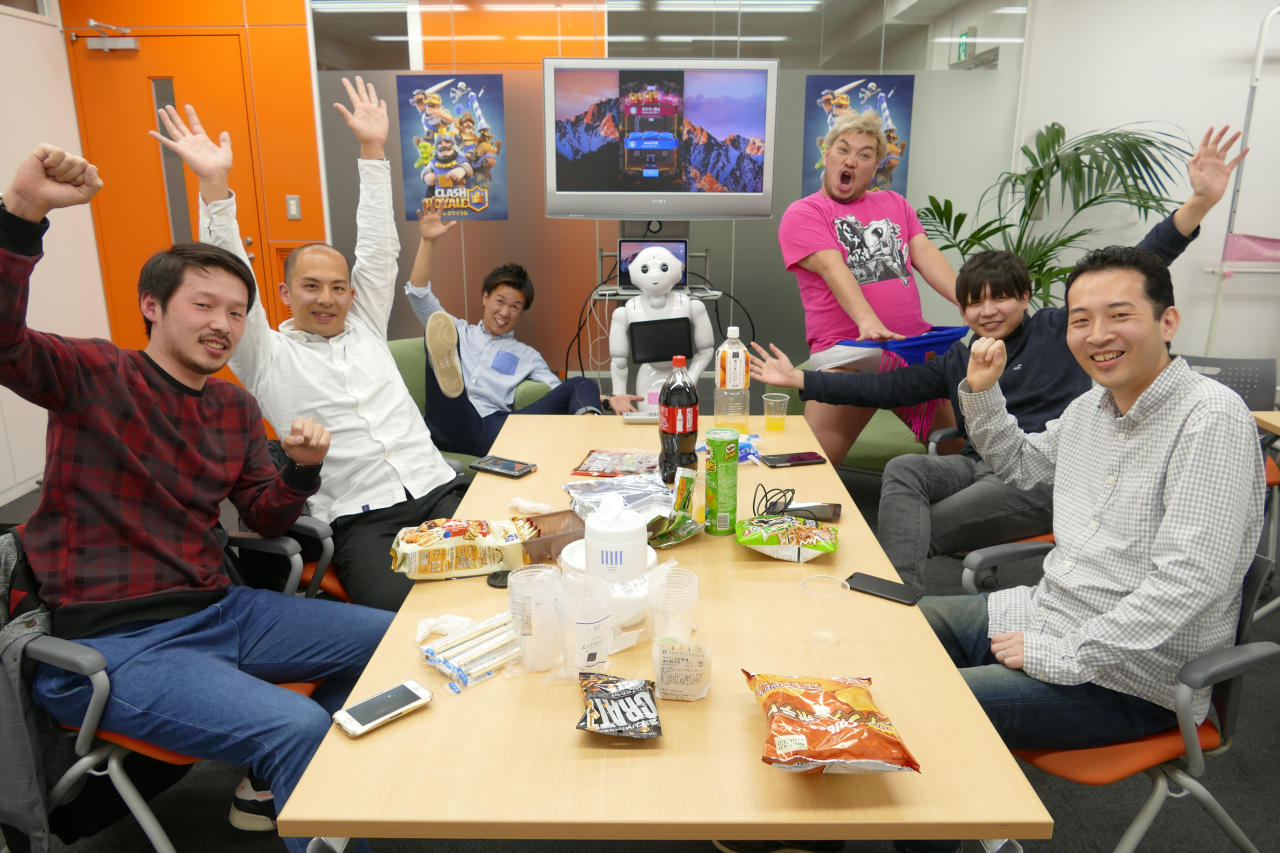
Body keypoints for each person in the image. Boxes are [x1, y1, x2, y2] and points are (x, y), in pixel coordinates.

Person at [0, 144, 391, 853]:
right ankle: (302, 773)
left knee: (395, 643)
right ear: (152, 306)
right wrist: (22, 214)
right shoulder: (96, 374)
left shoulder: (233, 408)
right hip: (115, 642)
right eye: (204, 305)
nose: (223, 324)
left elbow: (265, 515)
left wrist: (301, 472)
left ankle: (291, 786)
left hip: (221, 611)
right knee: (297, 725)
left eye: (237, 312)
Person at [752, 126, 1245, 591]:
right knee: (904, 469)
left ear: (1025, 297)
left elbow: (1142, 260)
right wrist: (800, 379)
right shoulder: (960, 357)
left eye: (1001, 299)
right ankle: (898, 594)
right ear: (961, 307)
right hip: (978, 463)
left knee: (921, 527)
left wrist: (1198, 203)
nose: (987, 311)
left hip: (1039, 469)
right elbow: (885, 388)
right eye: (974, 302)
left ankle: (897, 591)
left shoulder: (1059, 331)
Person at [150, 79, 468, 613]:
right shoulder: (265, 353)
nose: (327, 299)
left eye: (338, 287)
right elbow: (230, 272)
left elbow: (379, 248)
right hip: (364, 520)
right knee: (403, 622)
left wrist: (373, 150)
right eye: (311, 286)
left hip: (439, 489)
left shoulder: (364, 324)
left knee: (511, 579)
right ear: (283, 293)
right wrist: (214, 188)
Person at [779, 109, 960, 466]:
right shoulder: (805, 213)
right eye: (843, 149)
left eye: (864, 155)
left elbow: (925, 254)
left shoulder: (895, 204)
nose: (851, 160)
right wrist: (868, 322)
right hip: (849, 354)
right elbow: (833, 268)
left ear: (875, 167)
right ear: (826, 155)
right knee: (813, 469)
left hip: (911, 350)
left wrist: (968, 302)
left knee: (961, 452)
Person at [405, 201, 642, 456]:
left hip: (491, 429)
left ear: (522, 311)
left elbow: (556, 390)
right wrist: (427, 241)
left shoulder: (527, 355)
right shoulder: (455, 331)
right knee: (438, 337)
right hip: (447, 422)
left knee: (579, 384)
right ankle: (444, 369)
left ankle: (589, 437)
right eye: (500, 302)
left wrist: (608, 400)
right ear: (485, 297)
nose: (505, 313)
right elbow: (419, 294)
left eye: (515, 306)